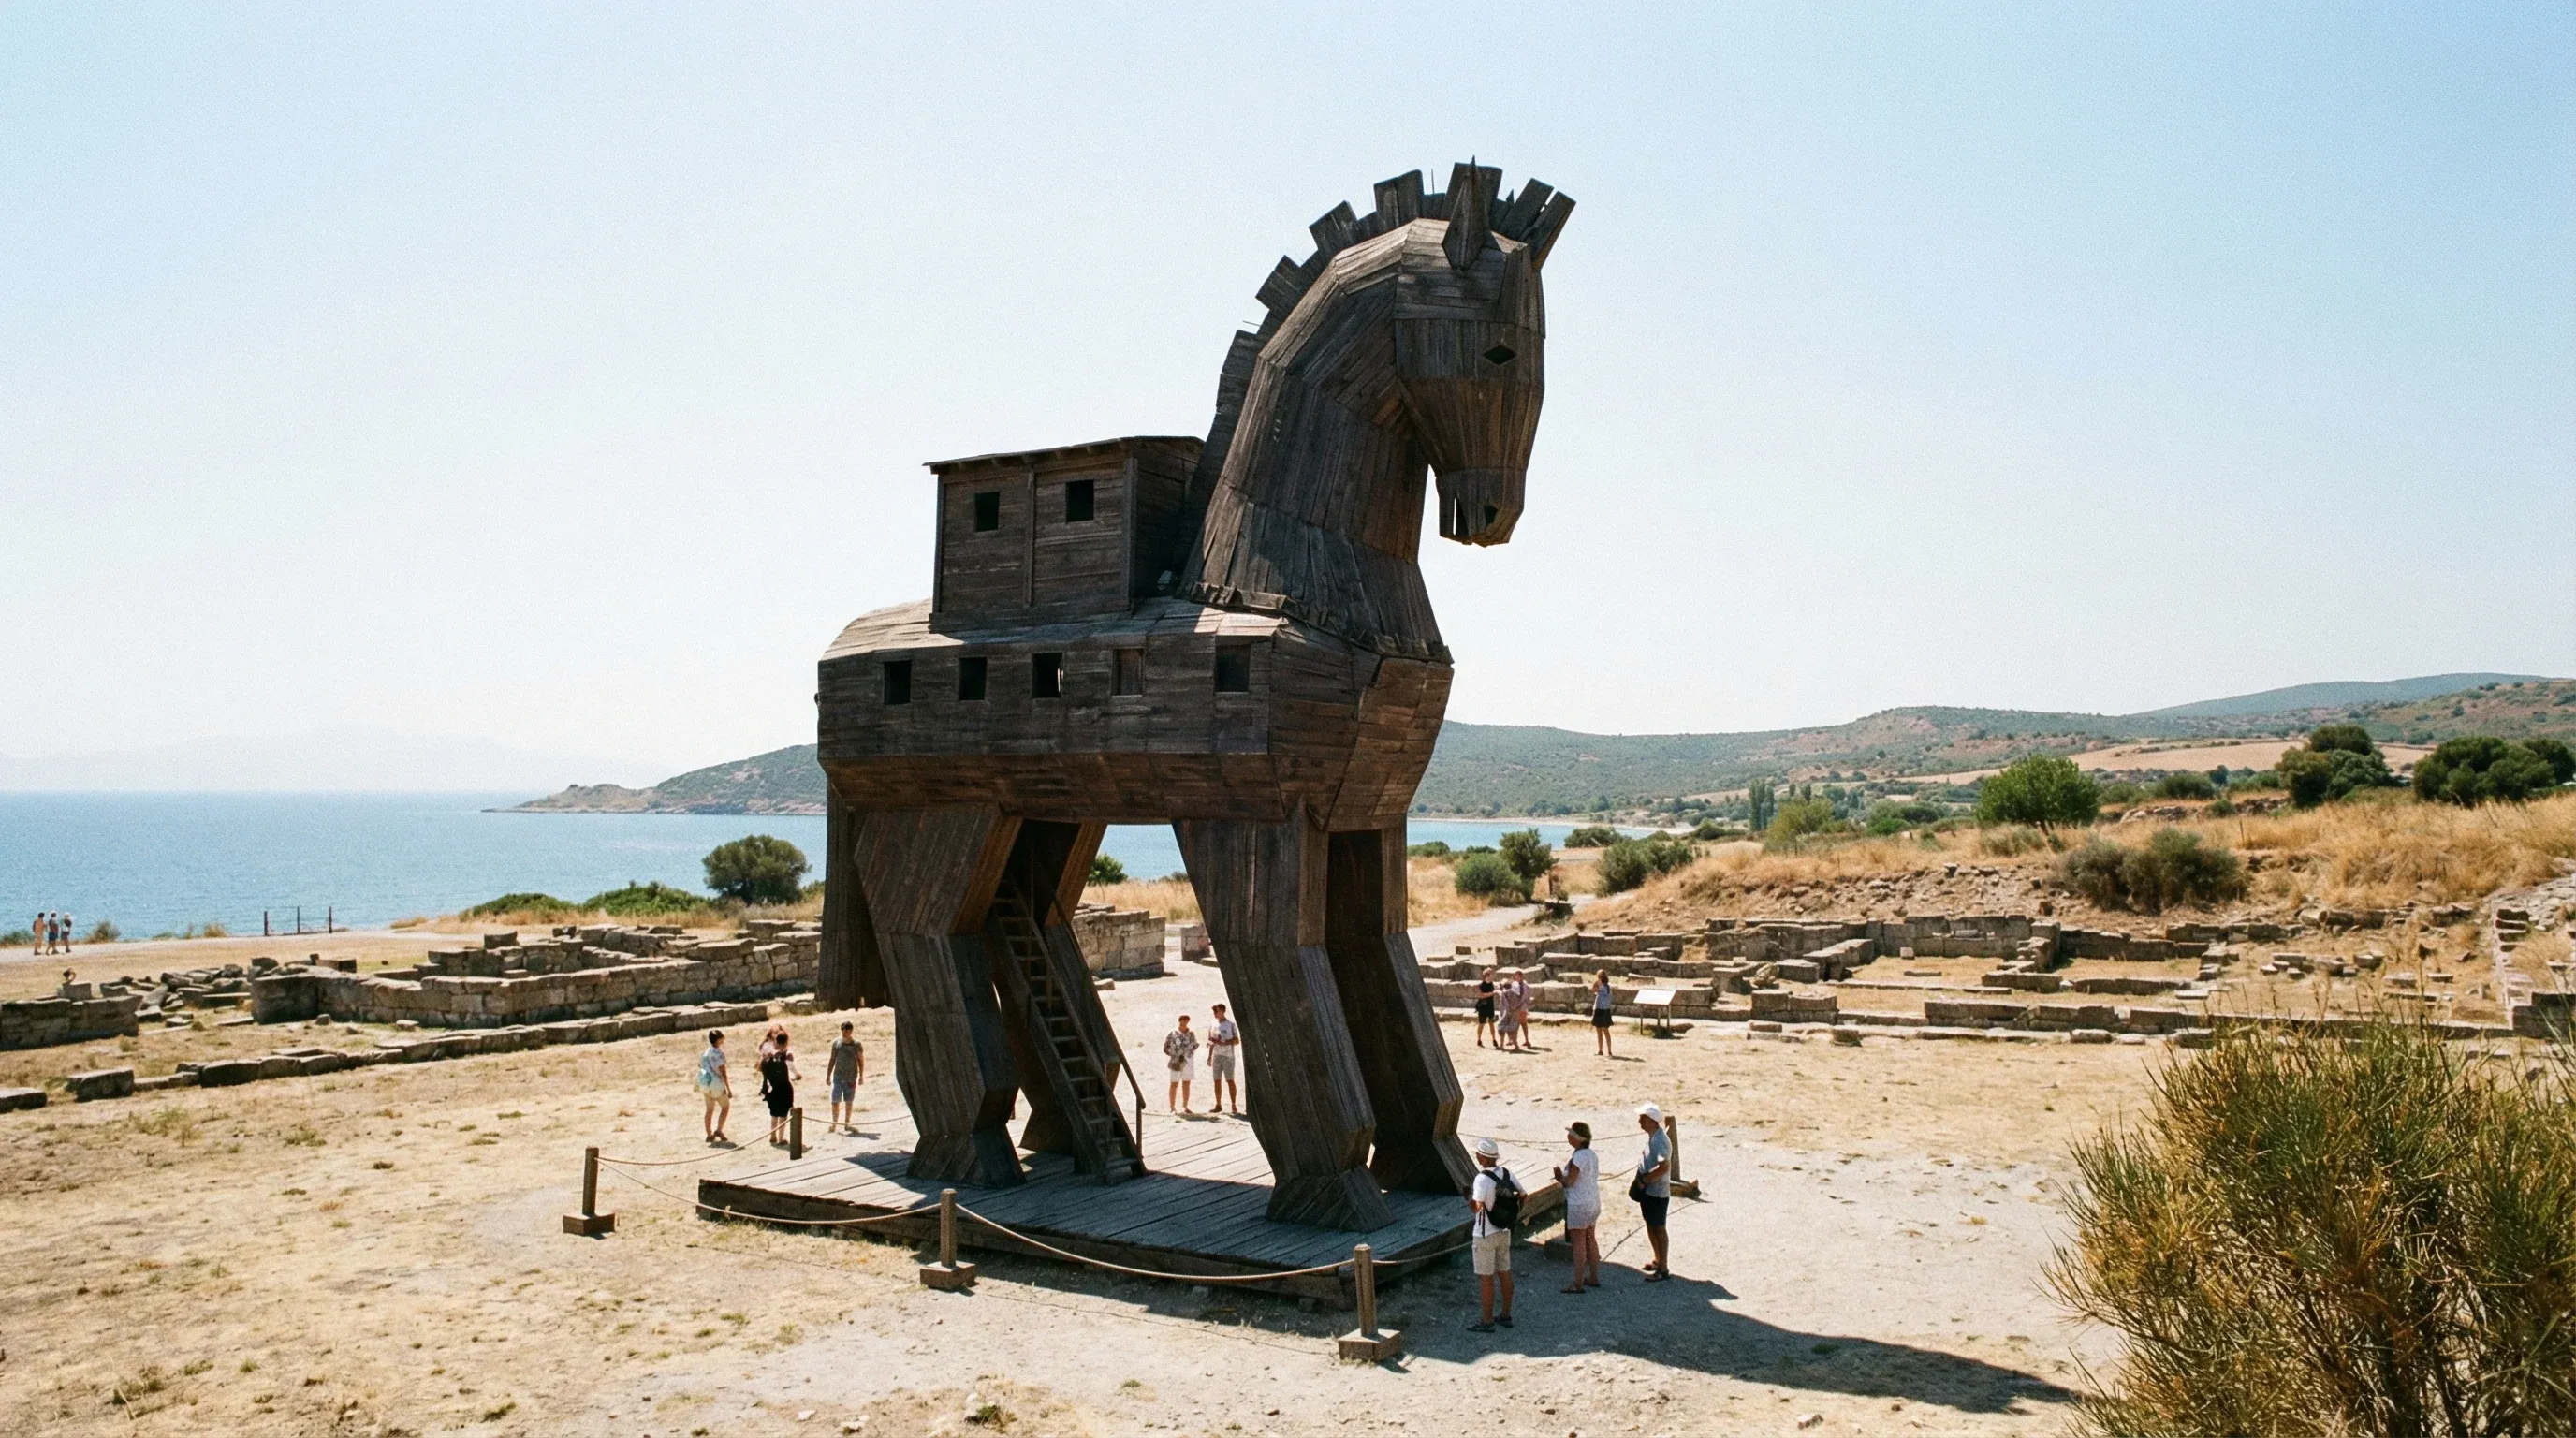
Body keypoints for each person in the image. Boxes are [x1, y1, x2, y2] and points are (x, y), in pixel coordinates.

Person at [1466, 1137, 1517, 1332]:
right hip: (1504, 1230)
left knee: (1486, 1278)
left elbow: (1477, 1206)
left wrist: (1469, 1199)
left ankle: (1487, 1320)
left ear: (1482, 1158)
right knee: (1505, 1273)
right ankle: (1505, 1314)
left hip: (1485, 1233)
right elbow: (1523, 1194)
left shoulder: (1481, 1179)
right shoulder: (1506, 1174)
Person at [1555, 1121, 1602, 1292]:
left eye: (1571, 1134)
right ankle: (1594, 1276)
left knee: (1579, 1243)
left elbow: (1570, 1182)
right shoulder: (1592, 1155)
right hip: (1593, 1200)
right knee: (1591, 1238)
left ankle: (1578, 1283)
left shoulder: (1578, 1157)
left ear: (1577, 1138)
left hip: (1579, 1203)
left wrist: (1560, 1177)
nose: (1568, 1136)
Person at [1634, 1102, 1674, 1282]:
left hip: (1657, 1192)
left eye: (1643, 1118)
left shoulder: (1660, 1141)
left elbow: (1664, 1166)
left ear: (1651, 1120)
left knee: (1658, 1228)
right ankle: (1658, 1260)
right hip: (1650, 1192)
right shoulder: (1654, 1137)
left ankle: (1663, 1268)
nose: (1639, 1121)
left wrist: (1645, 1180)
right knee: (1651, 1225)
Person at [759, 1032, 800, 1147]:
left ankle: (773, 1135)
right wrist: (797, 1075)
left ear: (775, 1041)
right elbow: (791, 1067)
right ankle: (781, 1138)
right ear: (786, 1041)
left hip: (772, 1088)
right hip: (784, 1088)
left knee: (774, 1113)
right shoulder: (787, 1054)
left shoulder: (769, 1054)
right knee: (783, 1114)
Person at [826, 1021, 865, 1132]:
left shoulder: (857, 1044)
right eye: (843, 1029)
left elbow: (860, 1060)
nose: (845, 1032)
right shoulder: (837, 1044)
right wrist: (828, 1075)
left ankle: (847, 1123)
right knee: (835, 1100)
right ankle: (834, 1123)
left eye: (847, 1030)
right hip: (838, 1076)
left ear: (851, 1031)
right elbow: (832, 1059)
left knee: (849, 1101)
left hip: (851, 1077)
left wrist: (861, 1075)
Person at [696, 1030, 733, 1145]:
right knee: (725, 1107)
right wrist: (728, 1089)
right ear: (718, 1040)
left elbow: (700, 1065)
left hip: (705, 1084)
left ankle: (709, 1133)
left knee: (709, 1109)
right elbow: (723, 1073)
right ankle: (719, 1130)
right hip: (716, 1084)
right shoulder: (718, 1053)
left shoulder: (704, 1053)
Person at [1205, 1003, 1240, 1116]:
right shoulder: (1213, 1024)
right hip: (1216, 1055)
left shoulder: (1230, 1025)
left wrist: (1225, 1042)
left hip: (1228, 1056)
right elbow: (1210, 1040)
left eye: (1217, 1011)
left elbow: (1237, 1041)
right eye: (1214, 1012)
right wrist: (1210, 1055)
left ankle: (1233, 1104)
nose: (1215, 1014)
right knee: (1216, 1081)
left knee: (1230, 1080)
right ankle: (1218, 1104)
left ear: (1223, 1011)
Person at [1163, 1013, 1198, 1113]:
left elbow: (1195, 1045)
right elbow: (1165, 1047)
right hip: (1176, 1060)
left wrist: (1188, 1054)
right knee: (1174, 1083)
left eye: (1186, 1020)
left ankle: (1185, 1106)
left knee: (1186, 1083)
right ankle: (1172, 1107)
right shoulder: (1173, 1033)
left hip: (1188, 1060)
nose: (1185, 1022)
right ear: (1180, 1021)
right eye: (1183, 1020)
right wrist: (1174, 1055)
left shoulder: (1191, 1033)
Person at [1590, 971, 1617, 1057]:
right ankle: (1609, 1050)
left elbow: (1593, 990)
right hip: (1606, 1010)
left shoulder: (1600, 986)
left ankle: (1600, 1050)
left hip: (1600, 1010)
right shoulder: (1609, 987)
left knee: (1599, 1031)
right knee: (1606, 1030)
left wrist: (1596, 983)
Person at [1474, 967, 1499, 1049]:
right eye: (1490, 973)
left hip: (1490, 1007)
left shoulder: (1492, 984)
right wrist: (1492, 993)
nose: (1492, 975)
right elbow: (1481, 996)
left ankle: (1494, 1039)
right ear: (1486, 975)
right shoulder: (1480, 985)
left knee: (1491, 1024)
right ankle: (1479, 1039)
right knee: (1481, 1024)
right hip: (1483, 1007)